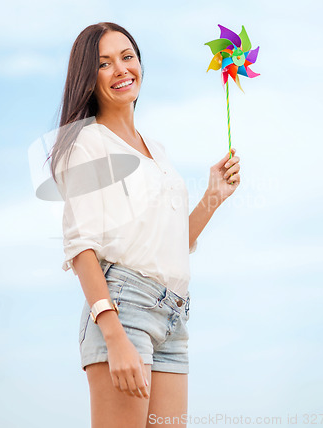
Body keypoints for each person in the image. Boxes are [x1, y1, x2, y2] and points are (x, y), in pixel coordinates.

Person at [49, 22, 241, 427]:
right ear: (87, 78)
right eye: (104, 63)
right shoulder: (87, 143)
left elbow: (168, 243)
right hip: (123, 309)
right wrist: (114, 336)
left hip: (173, 314)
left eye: (127, 57)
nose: (121, 69)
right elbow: (81, 248)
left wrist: (212, 196)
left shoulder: (157, 150)